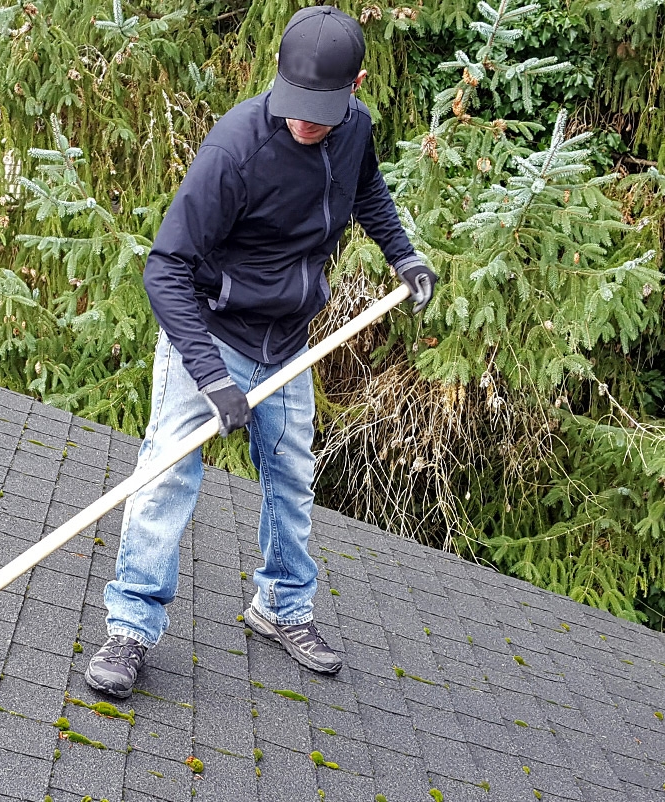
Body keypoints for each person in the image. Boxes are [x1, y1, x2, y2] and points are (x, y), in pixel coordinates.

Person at [85, 6, 437, 697]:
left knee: (291, 479)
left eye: (321, 111)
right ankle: (130, 628)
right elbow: (165, 268)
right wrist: (211, 378)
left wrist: (404, 255)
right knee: (165, 479)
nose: (305, 123)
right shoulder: (235, 149)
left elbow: (366, 188)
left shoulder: (354, 129)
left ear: (355, 87)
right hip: (211, 336)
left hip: (287, 344)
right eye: (296, 105)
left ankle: (280, 606)